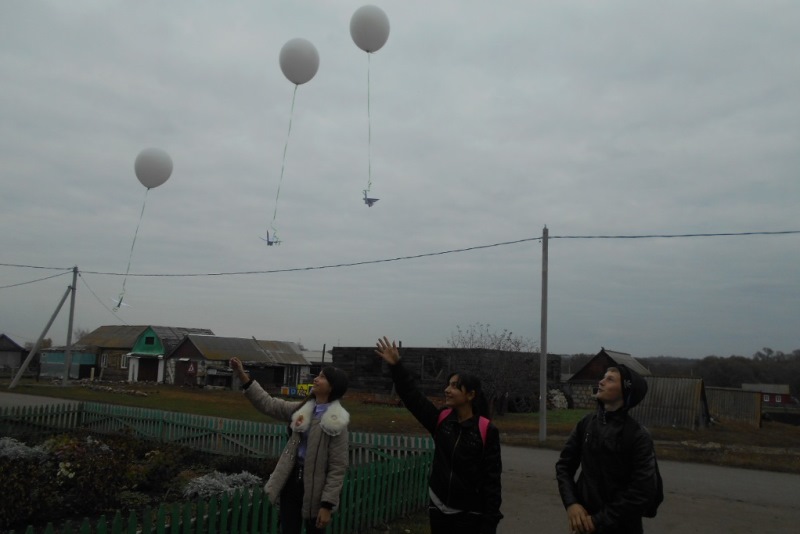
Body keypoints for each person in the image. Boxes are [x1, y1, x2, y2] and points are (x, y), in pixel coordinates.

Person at [374, 336, 503, 534]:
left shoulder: (487, 431)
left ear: (470, 395)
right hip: (439, 507)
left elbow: (492, 481)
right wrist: (396, 366)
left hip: (470, 513)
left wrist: (490, 522)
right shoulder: (442, 421)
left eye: (454, 386)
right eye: (448, 384)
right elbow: (413, 398)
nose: (447, 390)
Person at [230, 357, 350, 534]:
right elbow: (269, 404)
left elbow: (337, 467)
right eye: (318, 375)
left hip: (316, 491)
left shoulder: (336, 420)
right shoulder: (303, 409)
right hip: (291, 484)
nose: (316, 379)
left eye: (322, 377)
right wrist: (242, 375)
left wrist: (327, 505)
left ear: (333, 386)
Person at [556, 365, 657, 534]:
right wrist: (571, 504)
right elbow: (564, 467)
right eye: (603, 377)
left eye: (610, 379)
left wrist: (599, 520)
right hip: (585, 526)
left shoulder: (638, 435)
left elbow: (642, 491)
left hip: (621, 527)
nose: (601, 382)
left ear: (625, 391)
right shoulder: (586, 424)